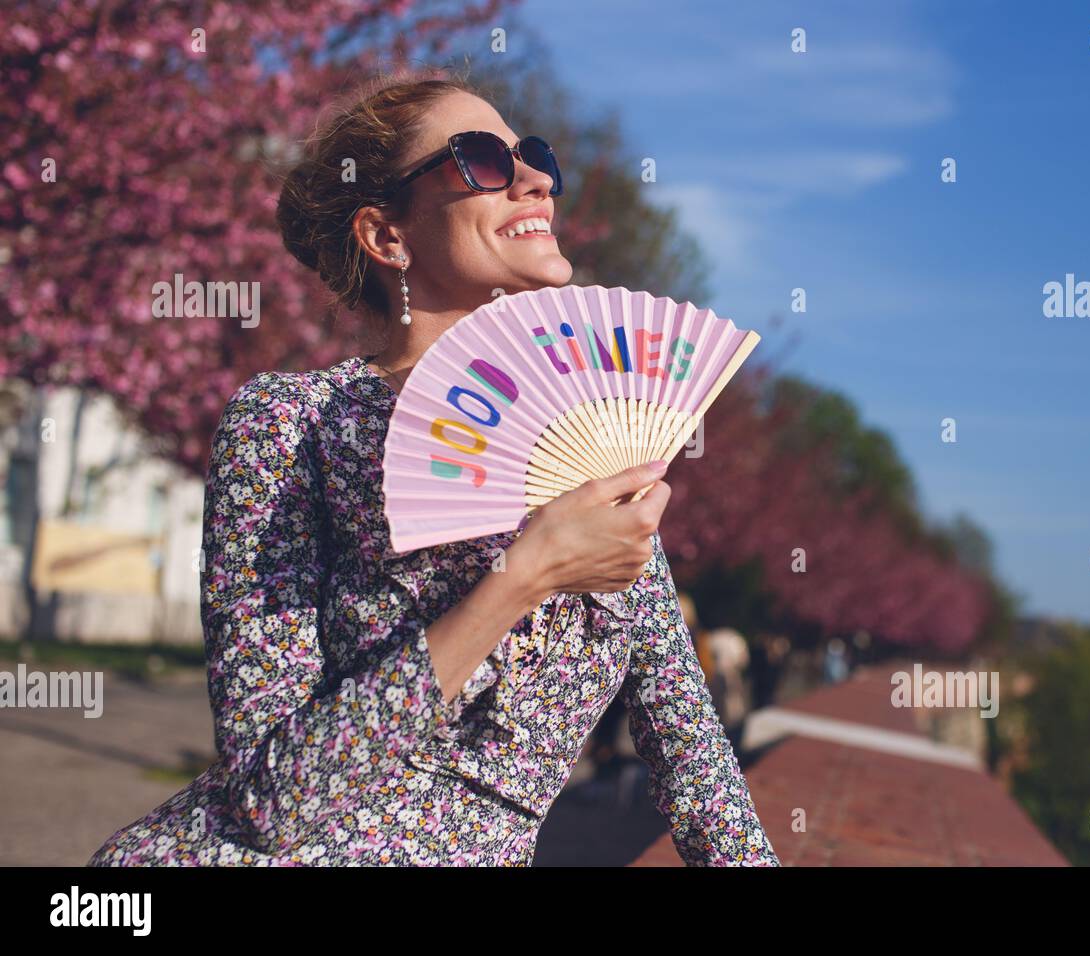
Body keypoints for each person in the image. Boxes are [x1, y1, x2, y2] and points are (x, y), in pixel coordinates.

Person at [86, 69, 780, 867]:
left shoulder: (610, 442)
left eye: (536, 156)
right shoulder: (293, 425)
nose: (536, 180)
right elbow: (271, 803)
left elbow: (696, 768)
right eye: (482, 159)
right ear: (388, 237)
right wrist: (524, 577)